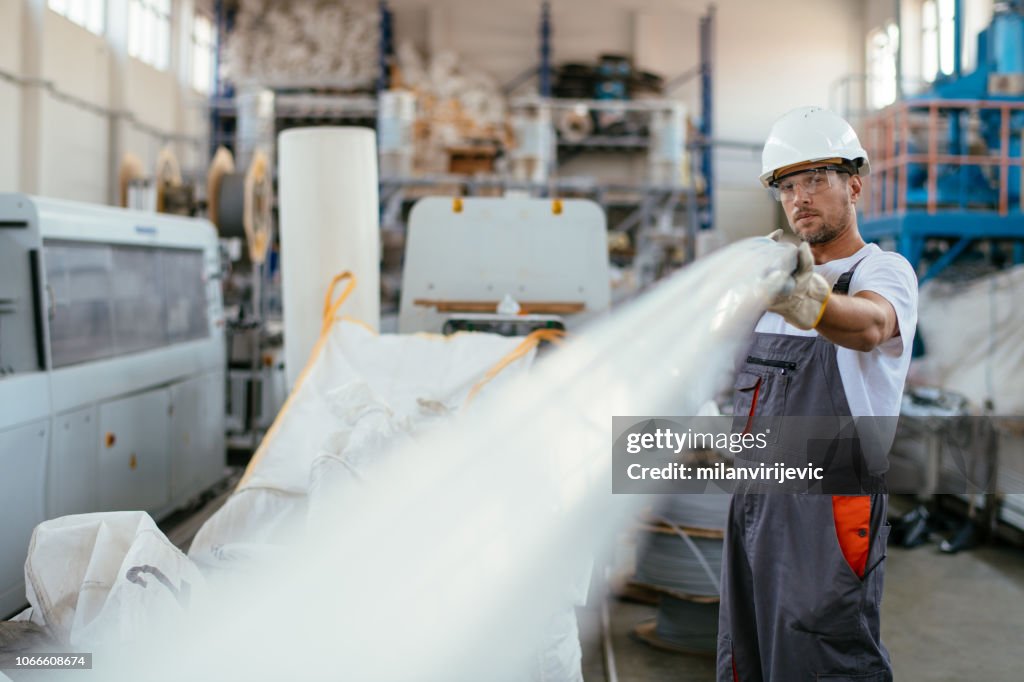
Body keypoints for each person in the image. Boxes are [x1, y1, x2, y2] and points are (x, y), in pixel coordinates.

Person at [717, 106, 918, 681]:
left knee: (822, 658)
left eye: (815, 179)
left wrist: (803, 298)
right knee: (748, 654)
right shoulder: (771, 281)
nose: (799, 196)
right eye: (786, 184)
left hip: (829, 513)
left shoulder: (882, 272)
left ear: (854, 184)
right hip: (755, 503)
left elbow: (871, 325)